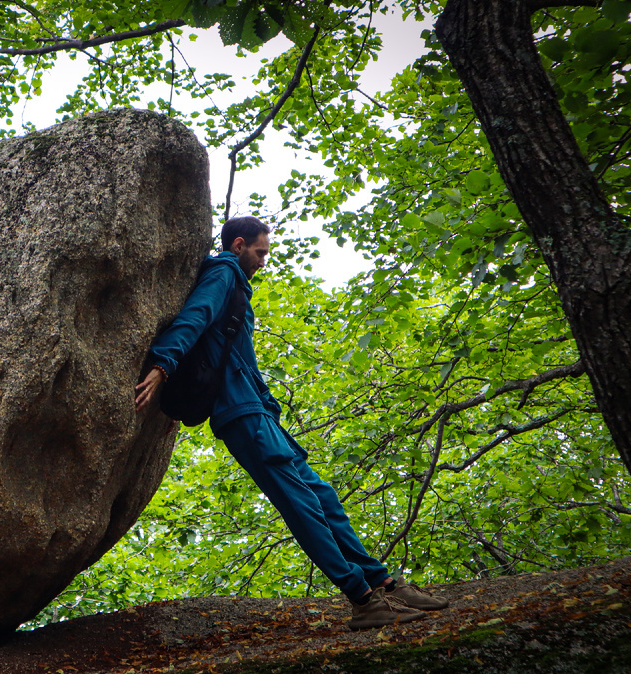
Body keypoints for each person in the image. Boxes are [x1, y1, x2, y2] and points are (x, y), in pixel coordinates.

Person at [134, 216, 450, 631]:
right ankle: (362, 599)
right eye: (260, 252)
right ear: (239, 245)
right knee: (302, 505)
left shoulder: (237, 285)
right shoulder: (224, 272)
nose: (264, 261)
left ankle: (385, 583)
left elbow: (240, 357)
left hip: (260, 413)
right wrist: (162, 365)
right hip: (242, 415)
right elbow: (194, 317)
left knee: (322, 496)